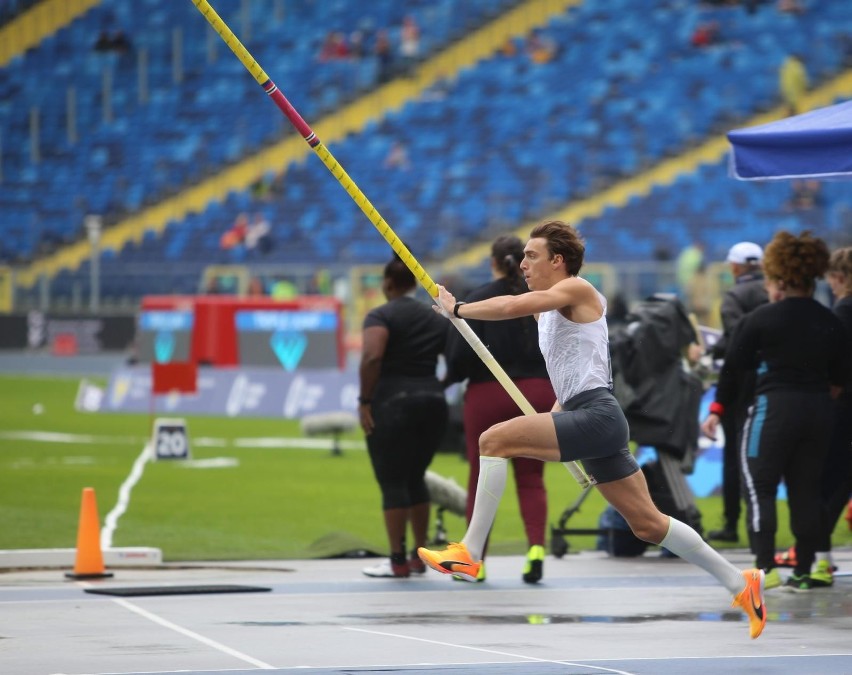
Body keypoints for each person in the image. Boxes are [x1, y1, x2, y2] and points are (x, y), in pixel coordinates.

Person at [419, 220, 768, 640]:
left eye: (532, 256)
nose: (524, 263)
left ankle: (470, 553)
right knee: (648, 524)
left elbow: (512, 306)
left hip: (598, 415)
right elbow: (573, 378)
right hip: (591, 415)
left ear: (558, 260)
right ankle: (741, 583)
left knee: (491, 440)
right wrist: (550, 416)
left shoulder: (576, 289)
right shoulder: (551, 311)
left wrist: (458, 310)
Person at [701, 231, 849, 592]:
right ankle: (804, 568)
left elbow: (733, 369)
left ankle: (765, 569)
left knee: (760, 486)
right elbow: (841, 377)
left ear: (779, 277)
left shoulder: (762, 319)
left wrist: (717, 409)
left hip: (774, 407)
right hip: (819, 411)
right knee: (806, 490)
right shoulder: (831, 320)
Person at [444, 235, 555, 583]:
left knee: (481, 475)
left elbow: (458, 357)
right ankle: (536, 549)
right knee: (531, 476)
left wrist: (451, 378)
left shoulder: (477, 299)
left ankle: (474, 561)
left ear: (493, 262)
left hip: (487, 392)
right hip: (536, 392)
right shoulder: (541, 299)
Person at [359, 255, 450, 578]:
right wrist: (439, 385)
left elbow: (372, 356)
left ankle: (397, 559)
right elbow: (457, 353)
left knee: (393, 481)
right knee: (416, 477)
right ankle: (418, 554)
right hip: (432, 401)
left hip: (392, 402)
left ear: (387, 284)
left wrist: (365, 401)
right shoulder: (435, 318)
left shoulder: (380, 315)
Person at [706, 242, 768, 544]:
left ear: (734, 267)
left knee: (735, 457)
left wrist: (713, 348)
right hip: (774, 384)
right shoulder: (774, 292)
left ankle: (732, 523)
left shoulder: (734, 296)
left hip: (741, 386)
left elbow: (735, 343)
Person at [805, 247, 852, 584]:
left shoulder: (843, 311)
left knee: (828, 484)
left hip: (844, 407)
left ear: (840, 277)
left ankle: (818, 557)